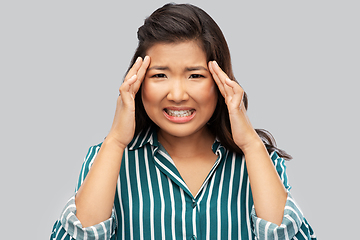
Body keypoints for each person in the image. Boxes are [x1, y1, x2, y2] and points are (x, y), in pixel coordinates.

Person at [50, 3, 316, 240]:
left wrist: (250, 143)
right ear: (137, 82)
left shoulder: (261, 161)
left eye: (195, 76)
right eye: (160, 76)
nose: (177, 95)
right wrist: (116, 140)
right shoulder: (107, 158)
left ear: (222, 82)